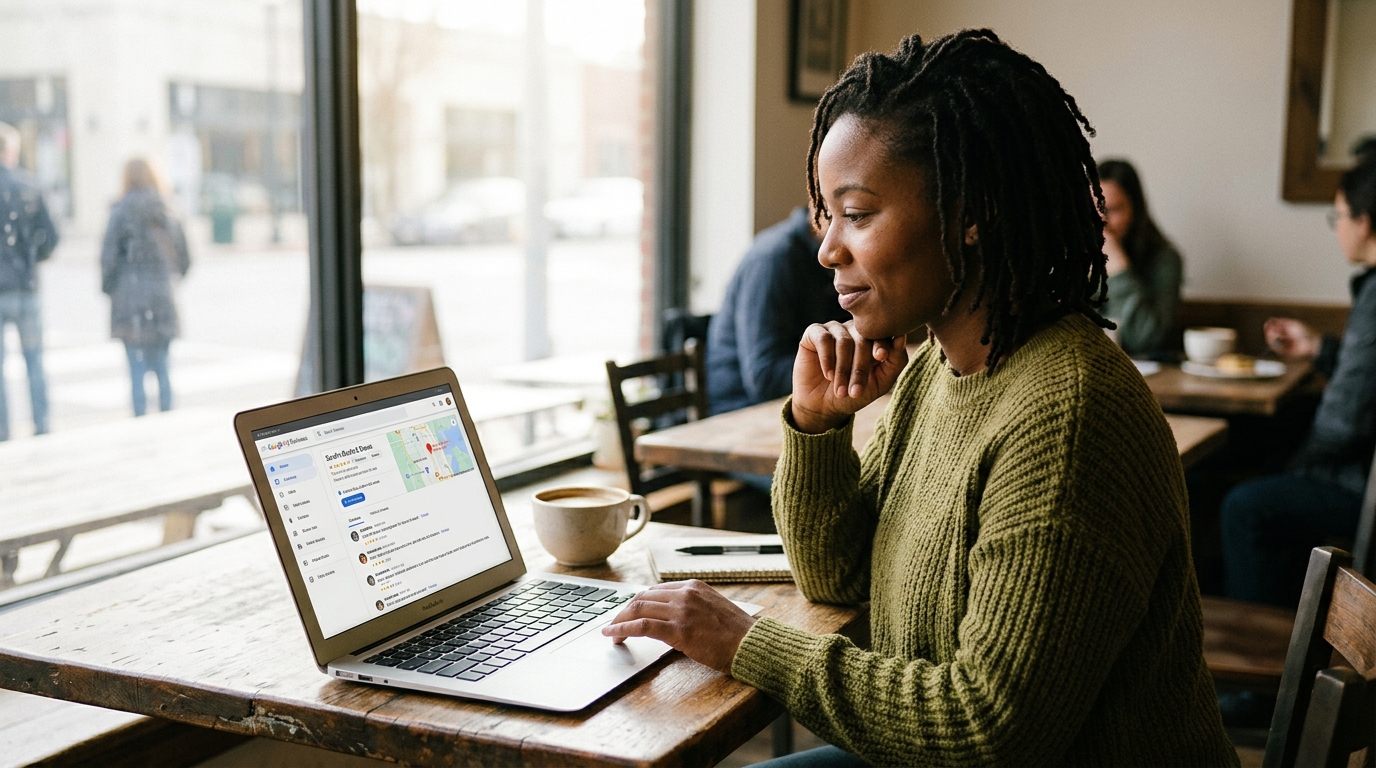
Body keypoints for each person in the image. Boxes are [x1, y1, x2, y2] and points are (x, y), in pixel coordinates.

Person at [603, 30, 1236, 767]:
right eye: (825, 215)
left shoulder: (1065, 416)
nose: (827, 249)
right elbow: (837, 573)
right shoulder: (939, 365)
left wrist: (746, 641)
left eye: (858, 213)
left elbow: (986, 730)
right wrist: (816, 425)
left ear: (973, 213)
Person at [1221, 147, 1376, 609]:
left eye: (1341, 215)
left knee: (1244, 506)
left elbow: (1344, 423)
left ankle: (1255, 666)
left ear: (1365, 221)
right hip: (1361, 472)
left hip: (1360, 485)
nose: (1339, 227)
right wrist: (1318, 348)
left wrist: (1298, 462)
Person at [706, 206, 850, 415]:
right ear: (822, 208)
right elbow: (764, 377)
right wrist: (847, 364)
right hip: (738, 413)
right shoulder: (773, 259)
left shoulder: (822, 260)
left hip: (787, 407)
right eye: (855, 217)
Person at [100, 158, 190, 417]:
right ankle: (168, 420)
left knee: (136, 372)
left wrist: (112, 289)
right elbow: (184, 257)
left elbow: (108, 260)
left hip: (130, 300)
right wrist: (168, 280)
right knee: (163, 369)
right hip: (162, 297)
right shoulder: (168, 210)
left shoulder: (119, 213)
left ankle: (140, 424)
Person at [0, 121, 58, 441]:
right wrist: (33, 259)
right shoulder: (30, 186)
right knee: (34, 360)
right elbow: (51, 237)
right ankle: (42, 425)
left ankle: (2, 431)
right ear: (11, 151)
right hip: (25, 285)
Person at [1098, 158, 1183, 357]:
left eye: (1112, 210)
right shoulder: (1064, 257)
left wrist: (1118, 268)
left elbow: (1144, 339)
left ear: (1135, 210)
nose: (1100, 221)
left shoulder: (1163, 259)